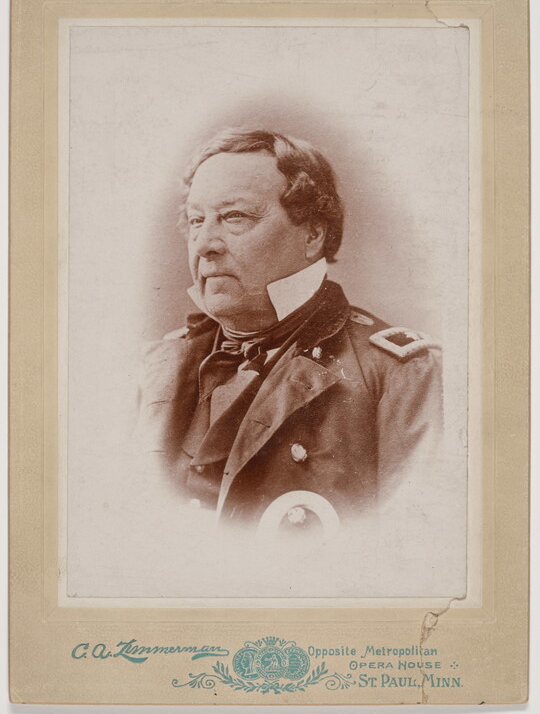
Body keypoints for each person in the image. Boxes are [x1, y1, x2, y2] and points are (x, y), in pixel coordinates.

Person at [137, 128, 442, 536]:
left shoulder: (402, 374)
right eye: (196, 220)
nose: (205, 243)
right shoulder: (154, 366)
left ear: (312, 234)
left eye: (235, 217)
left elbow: (410, 545)